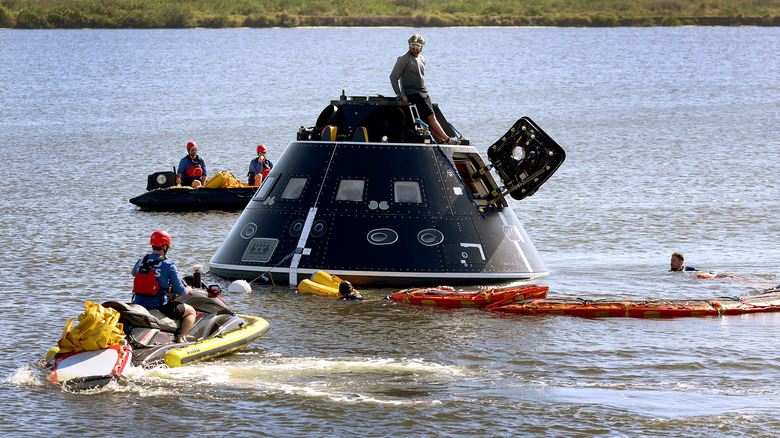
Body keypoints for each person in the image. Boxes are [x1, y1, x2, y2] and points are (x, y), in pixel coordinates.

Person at [390, 34, 459, 145]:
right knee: (431, 117)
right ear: (409, 45)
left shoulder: (422, 58)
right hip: (413, 94)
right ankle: (448, 139)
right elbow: (393, 77)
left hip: (423, 92)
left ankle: (441, 141)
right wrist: (400, 94)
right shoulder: (403, 59)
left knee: (427, 120)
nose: (414, 48)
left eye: (417, 46)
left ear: (422, 47)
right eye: (412, 46)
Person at [132, 230, 196, 343]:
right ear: (165, 246)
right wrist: (188, 290)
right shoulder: (169, 265)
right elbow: (179, 290)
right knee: (191, 312)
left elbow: (134, 273)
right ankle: (182, 337)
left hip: (138, 303)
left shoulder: (142, 261)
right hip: (159, 306)